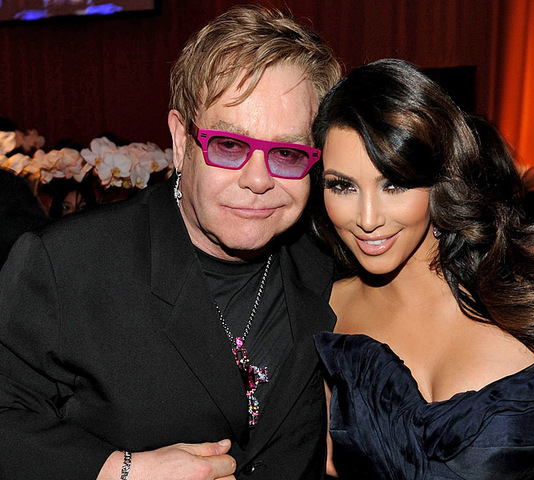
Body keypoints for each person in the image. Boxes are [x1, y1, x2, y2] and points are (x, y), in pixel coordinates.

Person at [0, 5, 341, 480]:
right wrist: (120, 471)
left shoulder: (329, 263)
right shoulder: (66, 265)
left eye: (286, 152)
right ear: (181, 141)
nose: (259, 179)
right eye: (229, 145)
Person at [310, 59, 534, 479]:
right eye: (342, 185)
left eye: (394, 183)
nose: (367, 219)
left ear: (441, 178)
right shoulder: (326, 311)